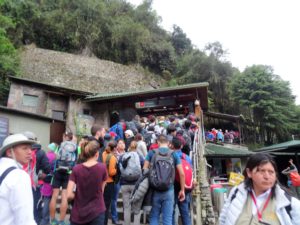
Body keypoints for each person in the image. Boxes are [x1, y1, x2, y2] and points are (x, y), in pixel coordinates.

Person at [219, 152, 300, 225]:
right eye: (262, 171)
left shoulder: (290, 204)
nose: (267, 176)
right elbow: (223, 219)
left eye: (271, 172)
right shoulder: (236, 192)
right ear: (249, 173)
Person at [143, 134, 185, 225]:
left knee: (154, 216)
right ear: (169, 143)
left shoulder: (152, 152)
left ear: (158, 142)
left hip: (155, 189)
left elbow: (144, 169)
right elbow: (182, 173)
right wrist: (182, 190)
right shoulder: (173, 154)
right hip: (169, 190)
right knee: (167, 218)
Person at [67, 140, 107, 225]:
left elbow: (69, 195)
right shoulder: (102, 168)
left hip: (78, 214)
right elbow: (101, 191)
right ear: (97, 153)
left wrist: (77, 193)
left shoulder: (76, 169)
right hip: (97, 212)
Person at [0, 133, 37, 225]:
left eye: (30, 148)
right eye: (25, 148)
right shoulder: (19, 176)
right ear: (9, 152)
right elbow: (25, 220)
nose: (30, 152)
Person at [23, 131, 51, 224]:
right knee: (35, 211)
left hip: (20, 185)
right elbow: (48, 169)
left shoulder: (15, 152)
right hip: (34, 186)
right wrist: (40, 175)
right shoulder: (40, 153)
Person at [50, 131, 76, 225]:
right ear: (72, 137)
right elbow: (77, 159)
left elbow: (55, 158)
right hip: (68, 172)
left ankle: (53, 220)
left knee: (54, 196)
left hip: (58, 171)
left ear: (64, 136)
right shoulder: (75, 147)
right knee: (64, 197)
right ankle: (61, 221)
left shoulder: (60, 145)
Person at [119, 140, 144, 225]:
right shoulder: (140, 157)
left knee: (126, 207)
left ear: (129, 146)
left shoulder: (123, 156)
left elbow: (119, 167)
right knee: (137, 207)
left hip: (124, 184)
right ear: (136, 147)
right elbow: (144, 169)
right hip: (136, 185)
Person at [170, 137, 192, 225]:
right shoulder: (186, 157)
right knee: (185, 211)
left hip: (173, 185)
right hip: (185, 186)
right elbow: (190, 171)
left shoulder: (170, 156)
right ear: (181, 146)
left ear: (171, 146)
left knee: (171, 210)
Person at [40, 143, 57, 225]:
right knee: (49, 199)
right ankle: (47, 218)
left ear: (50, 148)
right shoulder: (56, 156)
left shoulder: (46, 155)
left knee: (46, 199)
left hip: (46, 179)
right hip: (53, 179)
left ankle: (44, 219)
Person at [102, 141, 118, 225]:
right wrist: (117, 170)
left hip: (102, 182)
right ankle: (104, 222)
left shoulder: (103, 154)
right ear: (114, 148)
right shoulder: (112, 157)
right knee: (106, 204)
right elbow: (111, 172)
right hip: (109, 182)